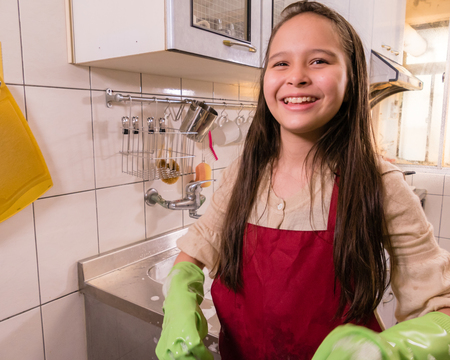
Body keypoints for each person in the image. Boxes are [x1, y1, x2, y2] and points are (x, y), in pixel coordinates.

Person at [155, 1, 450, 359]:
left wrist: (392, 349)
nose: (296, 76)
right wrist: (179, 301)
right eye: (281, 63)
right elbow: (197, 248)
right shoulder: (243, 174)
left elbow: (441, 306)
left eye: (319, 61)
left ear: (352, 77)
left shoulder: (379, 184)